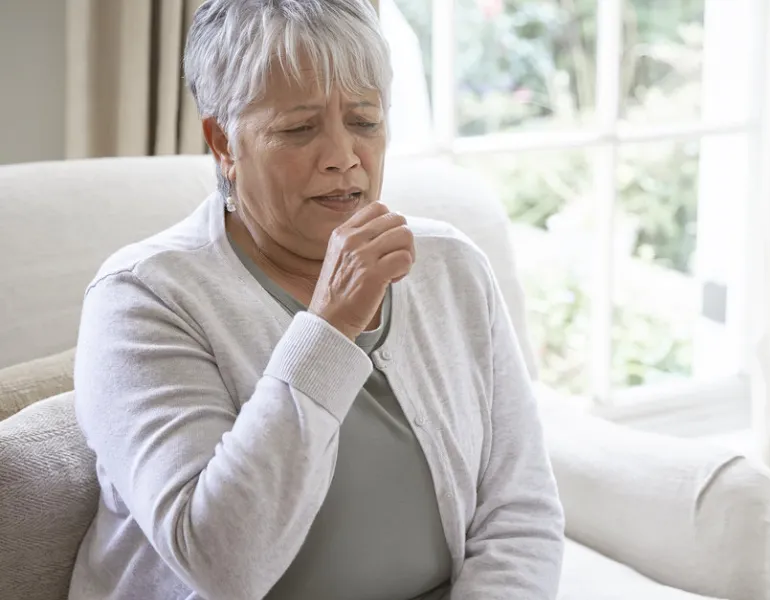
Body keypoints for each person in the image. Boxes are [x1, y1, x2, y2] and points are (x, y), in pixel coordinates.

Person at [67, 1, 565, 598]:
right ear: (223, 142)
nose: (343, 156)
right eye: (299, 128)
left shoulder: (452, 266)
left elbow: (521, 511)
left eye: (365, 120)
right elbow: (222, 564)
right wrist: (330, 326)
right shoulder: (141, 298)